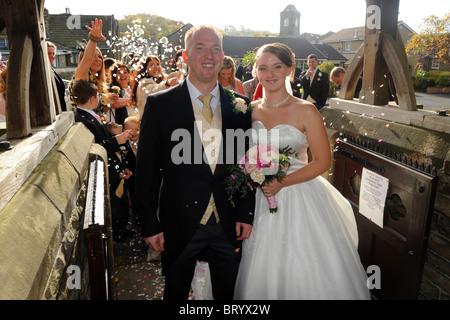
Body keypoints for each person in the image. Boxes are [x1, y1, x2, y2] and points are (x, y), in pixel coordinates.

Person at [233, 43, 370, 300]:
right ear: (255, 71)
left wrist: (282, 182)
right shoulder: (248, 110)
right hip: (260, 199)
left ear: (289, 70)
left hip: (300, 193)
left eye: (277, 67)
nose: (270, 73)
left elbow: (321, 162)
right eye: (263, 68)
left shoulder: (306, 110)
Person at [135, 25, 255, 300]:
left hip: (226, 221)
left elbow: (245, 164)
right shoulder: (160, 104)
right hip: (179, 221)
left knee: (227, 297)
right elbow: (147, 171)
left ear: (222, 54)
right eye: (200, 48)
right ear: (186, 56)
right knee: (176, 294)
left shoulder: (240, 106)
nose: (208, 55)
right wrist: (149, 224)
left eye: (215, 48)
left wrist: (245, 212)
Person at [72, 79, 133, 241]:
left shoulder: (90, 115)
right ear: (92, 99)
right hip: (105, 167)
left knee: (120, 199)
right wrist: (116, 140)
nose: (100, 99)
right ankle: (117, 233)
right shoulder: (82, 121)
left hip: (113, 164)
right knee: (114, 200)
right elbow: (96, 147)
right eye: (98, 96)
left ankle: (122, 228)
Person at [47, 42, 67, 112]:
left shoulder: (52, 71)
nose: (52, 56)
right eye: (49, 53)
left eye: (53, 53)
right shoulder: (45, 73)